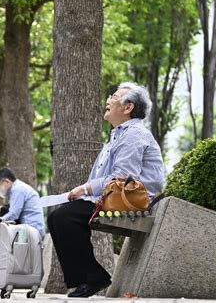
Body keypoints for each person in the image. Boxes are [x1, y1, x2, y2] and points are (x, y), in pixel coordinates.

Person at [47, 82, 165, 298]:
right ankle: (88, 278)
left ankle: (93, 277)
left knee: (65, 217)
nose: (108, 100)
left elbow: (123, 178)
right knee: (58, 217)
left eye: (114, 96)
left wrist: (84, 189)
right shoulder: (118, 135)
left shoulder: (134, 134)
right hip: (117, 196)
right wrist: (85, 193)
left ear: (128, 107)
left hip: (134, 201)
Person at [0, 167, 45, 238]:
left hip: (32, 230)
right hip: (30, 229)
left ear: (7, 181)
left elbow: (14, 214)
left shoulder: (17, 189)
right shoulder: (18, 188)